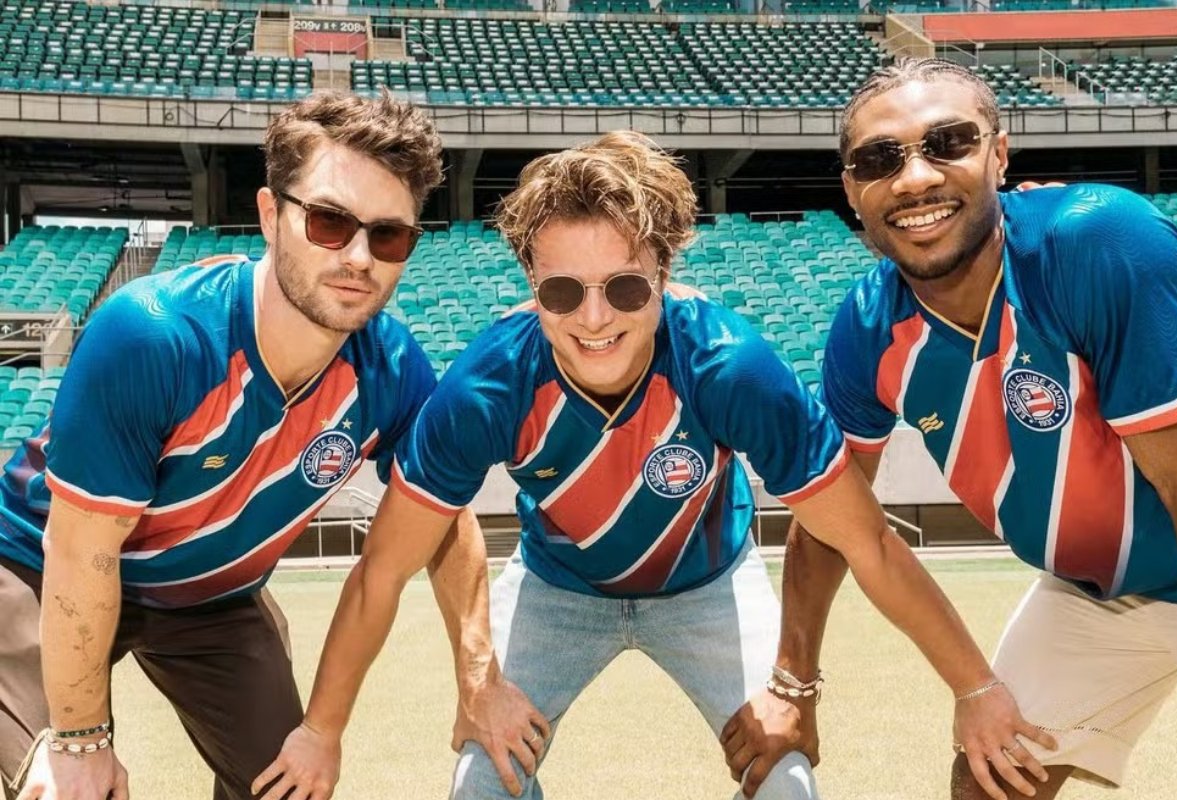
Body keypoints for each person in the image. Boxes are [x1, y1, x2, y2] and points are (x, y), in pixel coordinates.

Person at [262, 130, 1053, 800]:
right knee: (480, 780)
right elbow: (382, 572)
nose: (594, 318)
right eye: (562, 291)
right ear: (530, 284)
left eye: (626, 287)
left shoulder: (730, 367)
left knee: (787, 783)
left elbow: (868, 543)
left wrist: (972, 689)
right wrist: (438, 693)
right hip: (555, 586)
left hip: (709, 584)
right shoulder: (487, 387)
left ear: (666, 275)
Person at [0, 90, 532, 800]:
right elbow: (80, 551)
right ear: (269, 216)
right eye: (329, 221)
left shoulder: (393, 368)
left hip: (209, 599)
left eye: (388, 235)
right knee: (61, 787)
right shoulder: (152, 334)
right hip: (40, 567)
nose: (359, 257)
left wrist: (478, 677)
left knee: (287, 787)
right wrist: (81, 741)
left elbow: (443, 514)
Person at [805, 56, 1177, 799]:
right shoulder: (866, 328)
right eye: (879, 159)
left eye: (948, 142)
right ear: (852, 190)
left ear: (1000, 154)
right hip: (1098, 590)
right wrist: (794, 686)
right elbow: (831, 520)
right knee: (993, 777)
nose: (915, 178)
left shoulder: (1096, 238)